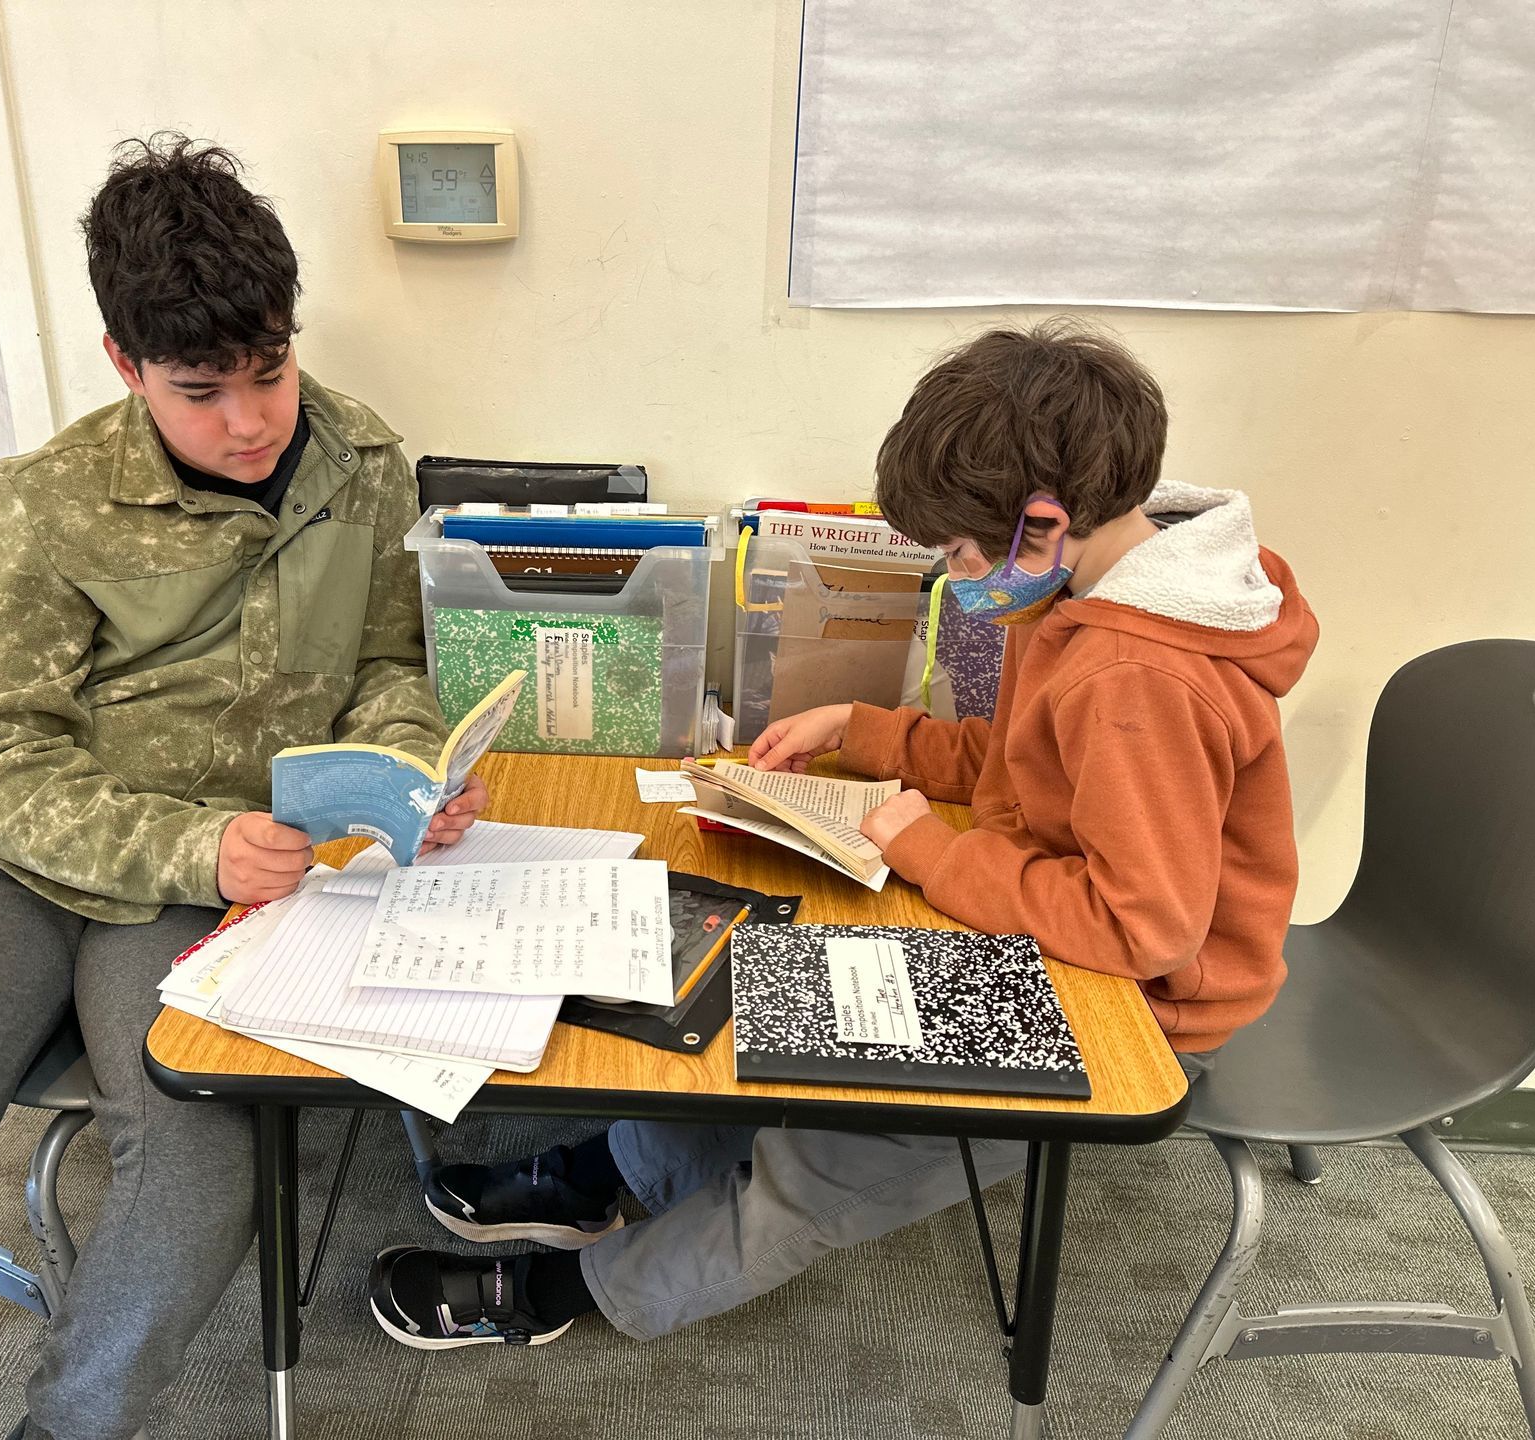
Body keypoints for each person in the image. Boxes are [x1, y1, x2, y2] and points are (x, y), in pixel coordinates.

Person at [368, 320, 1318, 1350]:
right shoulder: (1103, 591)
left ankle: (572, 1294)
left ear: (1042, 524)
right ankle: (620, 1173)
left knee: (820, 1155)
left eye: (958, 552)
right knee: (769, 1002)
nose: (955, 576)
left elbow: (1143, 929)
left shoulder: (1139, 675)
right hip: (1058, 931)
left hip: (1132, 1011)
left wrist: (933, 851)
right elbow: (1026, 768)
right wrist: (861, 733)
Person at [0, 134, 484, 1440]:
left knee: (204, 1173)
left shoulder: (364, 465)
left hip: (205, 867)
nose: (251, 420)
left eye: (269, 369)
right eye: (201, 390)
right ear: (123, 365)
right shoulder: (39, 505)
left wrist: (406, 768)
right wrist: (198, 853)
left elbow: (381, 661)